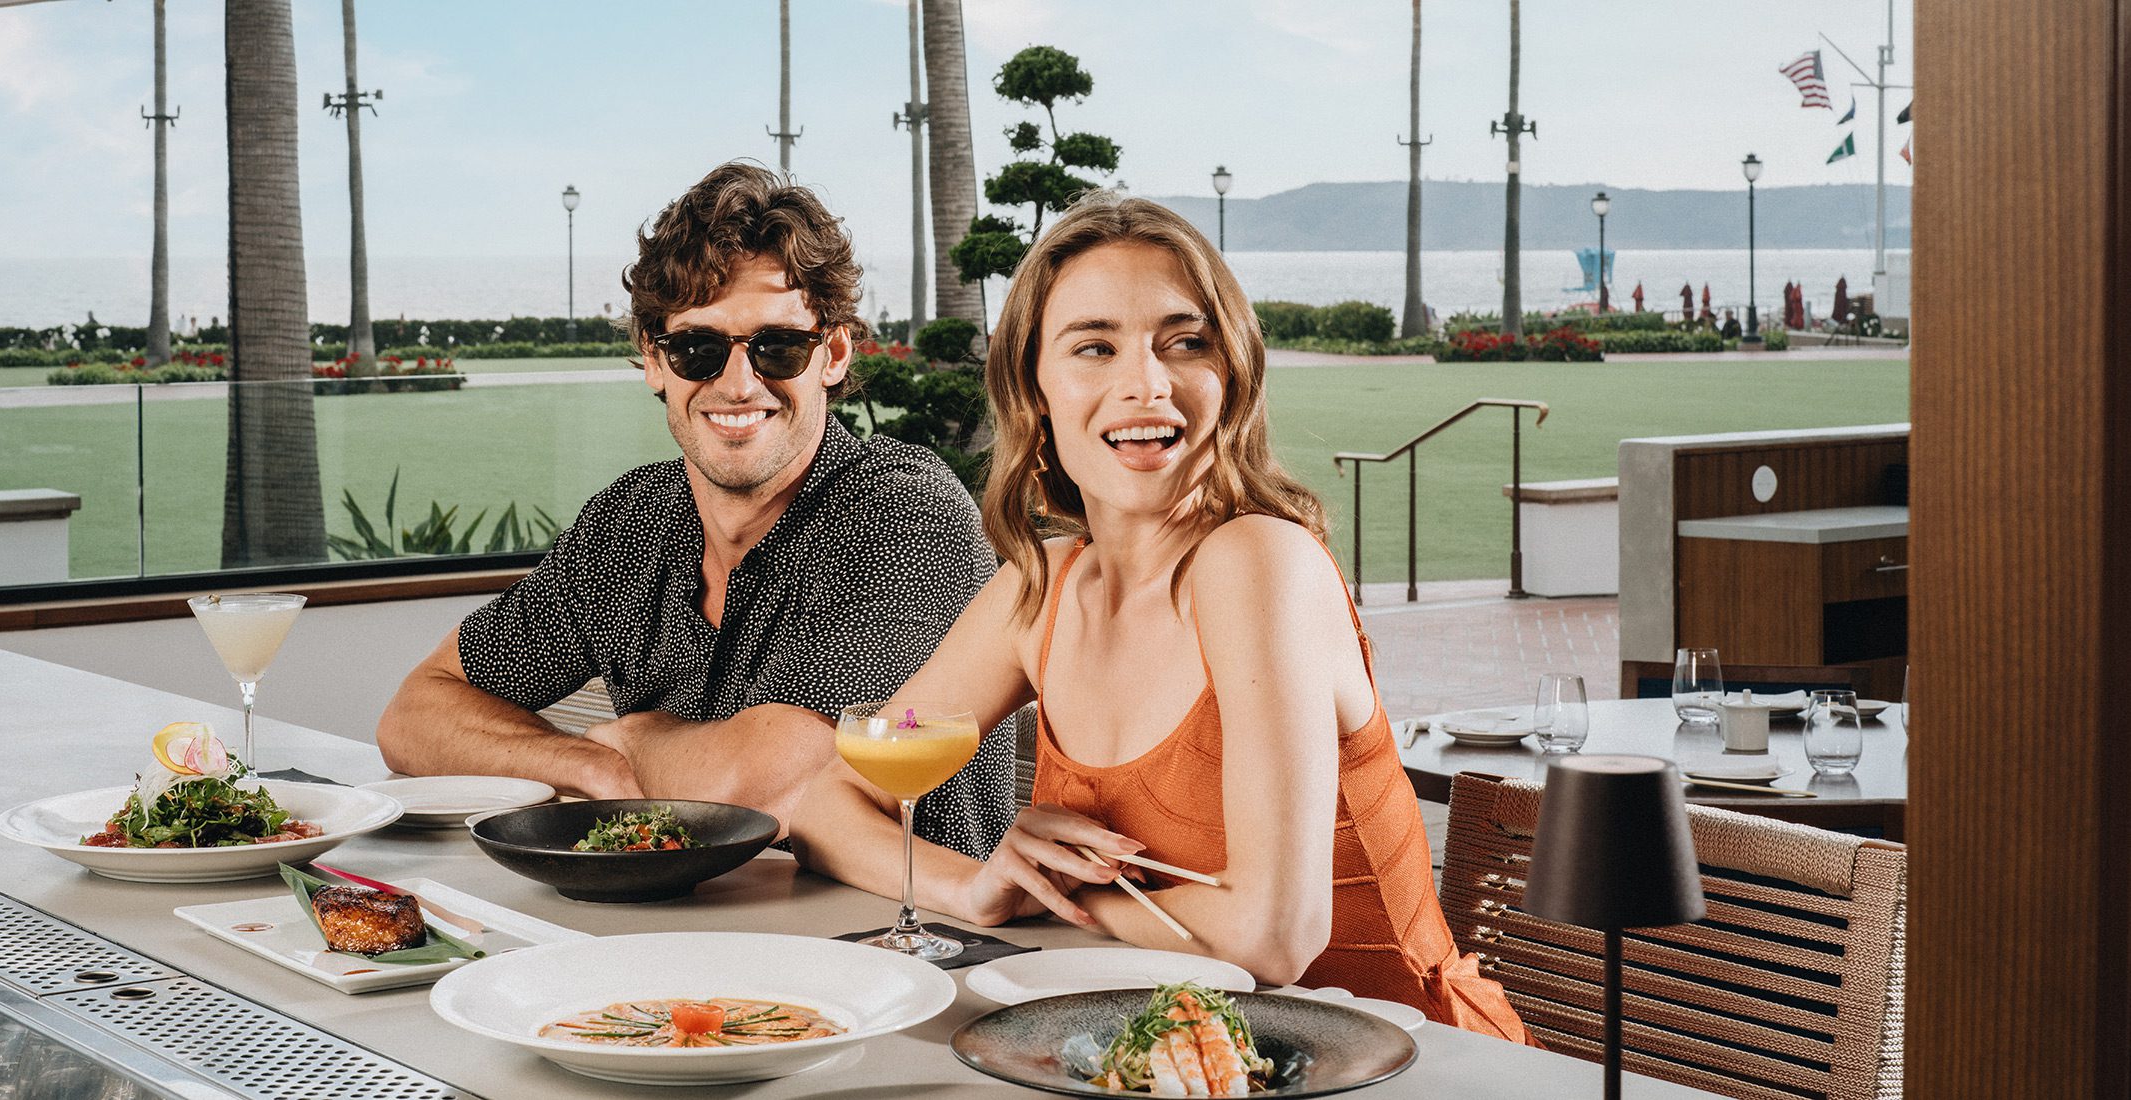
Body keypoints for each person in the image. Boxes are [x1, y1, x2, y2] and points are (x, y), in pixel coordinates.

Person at [790, 193, 1530, 1042]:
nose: (1146, 384)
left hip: (1399, 1062)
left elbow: (1274, 937)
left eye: (1186, 343)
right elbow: (829, 803)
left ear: (1232, 375)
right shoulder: (1041, 588)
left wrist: (1064, 895)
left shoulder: (1259, 562)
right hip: (1153, 1057)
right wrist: (976, 887)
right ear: (1033, 388)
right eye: (1094, 347)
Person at [376, 163, 1013, 858]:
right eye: (698, 349)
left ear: (832, 354)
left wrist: (637, 736)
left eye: (777, 346)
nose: (738, 384)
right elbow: (414, 714)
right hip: (687, 917)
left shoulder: (904, 514)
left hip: (902, 921)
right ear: (654, 360)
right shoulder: (630, 522)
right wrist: (591, 763)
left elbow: (771, 787)